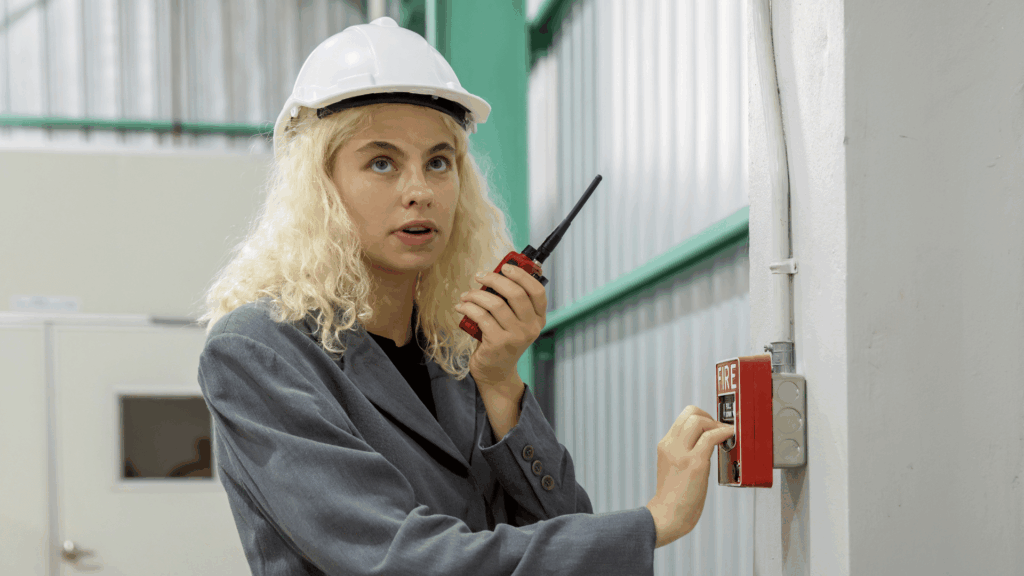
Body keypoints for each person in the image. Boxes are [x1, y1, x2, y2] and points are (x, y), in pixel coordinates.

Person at [196, 17, 734, 576]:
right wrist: (654, 521)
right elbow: (401, 560)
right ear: (321, 187)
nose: (419, 191)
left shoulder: (455, 354)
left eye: (438, 161)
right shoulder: (259, 351)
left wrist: (501, 384)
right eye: (382, 162)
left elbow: (558, 526)